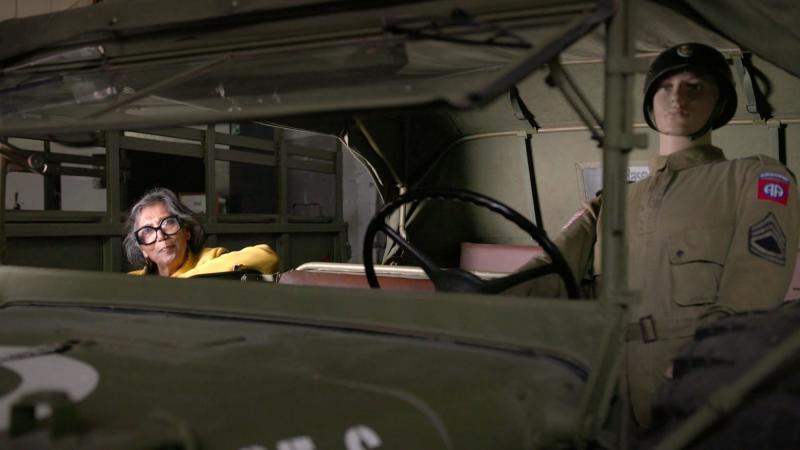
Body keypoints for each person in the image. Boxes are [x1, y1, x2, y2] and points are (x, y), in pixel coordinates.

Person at [507, 43, 800, 428]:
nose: (677, 98)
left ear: (721, 102)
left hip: (695, 381)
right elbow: (548, 270)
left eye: (695, 86)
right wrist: (475, 303)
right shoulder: (612, 200)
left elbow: (756, 277)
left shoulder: (755, 176)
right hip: (607, 385)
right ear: (649, 101)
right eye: (665, 87)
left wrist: (709, 357)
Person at [123, 188, 279, 277]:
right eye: (147, 230)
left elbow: (266, 257)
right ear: (142, 250)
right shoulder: (131, 281)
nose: (160, 236)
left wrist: (183, 281)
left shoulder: (210, 258)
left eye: (168, 222)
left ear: (186, 232)